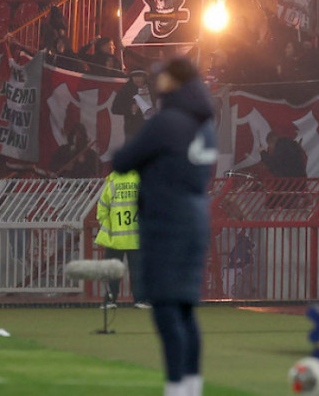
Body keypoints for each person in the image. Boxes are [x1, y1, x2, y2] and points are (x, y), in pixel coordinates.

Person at [112, 58, 218, 396]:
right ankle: (192, 384)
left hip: (166, 218)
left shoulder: (167, 121)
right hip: (197, 215)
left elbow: (122, 160)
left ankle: (176, 386)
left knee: (166, 308)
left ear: (172, 82)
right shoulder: (205, 124)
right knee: (186, 308)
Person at [94, 167, 147, 309]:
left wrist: (107, 224)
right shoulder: (140, 180)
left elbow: (102, 207)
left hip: (114, 237)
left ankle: (110, 300)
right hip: (136, 236)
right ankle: (140, 300)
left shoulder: (113, 181)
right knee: (138, 270)